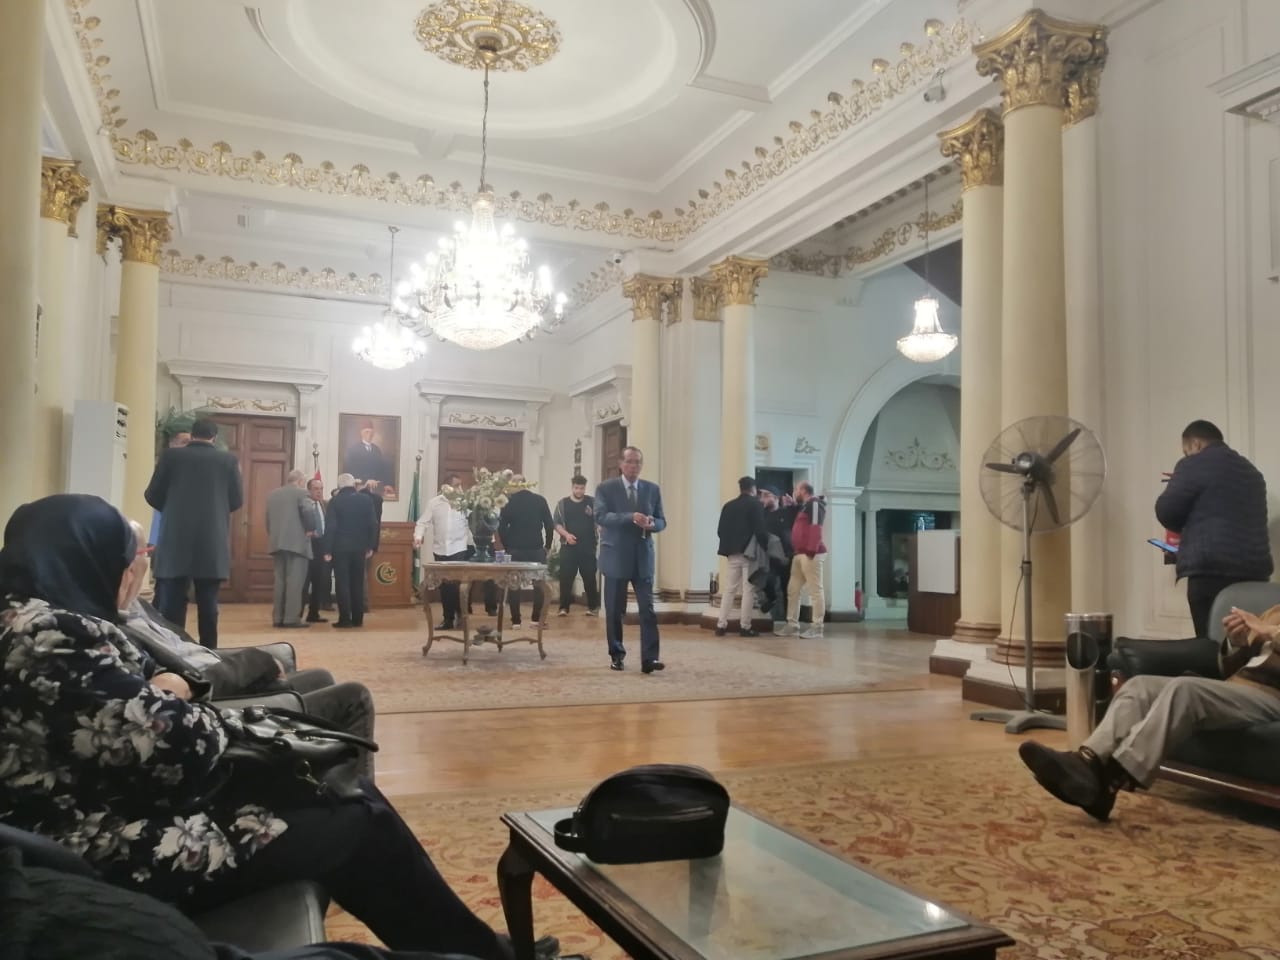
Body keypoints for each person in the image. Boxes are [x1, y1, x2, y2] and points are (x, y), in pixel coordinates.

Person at [0, 494, 558, 959]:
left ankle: (480, 949)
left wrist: (174, 694)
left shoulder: (31, 617)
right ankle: (485, 953)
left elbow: (151, 712)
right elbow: (181, 743)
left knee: (346, 797)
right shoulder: (51, 635)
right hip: (102, 848)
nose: (132, 572)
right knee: (356, 820)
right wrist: (173, 694)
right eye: (128, 560)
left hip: (108, 809)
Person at [117, 520, 376, 779]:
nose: (145, 563)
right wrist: (255, 663)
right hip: (217, 699)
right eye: (143, 553)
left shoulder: (137, 605)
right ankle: (359, 795)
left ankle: (322, 782)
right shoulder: (116, 628)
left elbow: (187, 650)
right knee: (355, 697)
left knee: (321, 678)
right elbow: (183, 686)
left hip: (220, 674)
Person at [1018, 605, 1280, 822]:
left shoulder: (1269, 623)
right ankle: (1087, 759)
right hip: (1236, 688)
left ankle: (1109, 780)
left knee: (1184, 690)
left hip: (1270, 695)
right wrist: (1235, 643)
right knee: (1139, 686)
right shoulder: (1274, 611)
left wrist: (1270, 632)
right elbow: (1227, 668)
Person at [1155, 419, 1272, 638]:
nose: (1187, 455)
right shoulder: (1251, 472)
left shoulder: (1193, 464)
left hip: (1210, 571)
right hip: (1256, 575)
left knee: (1209, 645)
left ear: (1196, 444)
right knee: (1249, 644)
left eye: (1187, 451)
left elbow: (1167, 512)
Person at [144, 417, 243, 649]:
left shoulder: (171, 457)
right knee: (208, 603)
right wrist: (215, 511)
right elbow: (237, 500)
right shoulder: (228, 460)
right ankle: (209, 649)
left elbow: (152, 494)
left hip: (176, 538)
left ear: (192, 434)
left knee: (172, 603)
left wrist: (174, 509)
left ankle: (174, 649)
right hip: (211, 539)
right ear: (214, 437)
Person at [595, 447, 666, 673]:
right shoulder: (606, 488)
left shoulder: (652, 489)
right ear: (621, 464)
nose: (634, 466)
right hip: (616, 556)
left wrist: (652, 523)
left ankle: (650, 659)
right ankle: (617, 655)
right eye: (630, 462)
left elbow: (662, 521)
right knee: (615, 611)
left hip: (643, 557)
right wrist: (630, 517)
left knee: (648, 609)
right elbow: (601, 516)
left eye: (638, 462)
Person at [414, 477, 473, 629]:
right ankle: (447, 619)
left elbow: (473, 522)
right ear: (445, 487)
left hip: (459, 548)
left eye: (460, 485)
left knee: (457, 585)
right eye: (456, 485)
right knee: (445, 586)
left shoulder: (465, 503)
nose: (460, 488)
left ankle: (461, 615)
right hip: (440, 549)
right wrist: (418, 536)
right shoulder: (434, 503)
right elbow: (422, 522)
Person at [324, 474, 379, 629]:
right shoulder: (366, 500)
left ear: (339, 486)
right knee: (357, 582)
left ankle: (345, 619)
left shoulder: (335, 501)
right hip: (360, 548)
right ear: (353, 485)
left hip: (340, 548)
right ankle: (358, 619)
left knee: (342, 583)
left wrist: (327, 549)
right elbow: (373, 524)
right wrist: (370, 546)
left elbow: (331, 526)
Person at [715, 476, 768, 638]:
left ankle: (721, 625)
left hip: (732, 553)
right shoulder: (756, 504)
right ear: (753, 489)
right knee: (748, 590)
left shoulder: (728, 506)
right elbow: (760, 530)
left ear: (741, 488)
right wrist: (765, 547)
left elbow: (720, 531)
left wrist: (731, 545)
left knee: (729, 589)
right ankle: (745, 626)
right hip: (749, 553)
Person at [497, 476, 553, 626]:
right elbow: (549, 525)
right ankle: (536, 619)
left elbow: (501, 528)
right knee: (539, 585)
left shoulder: (508, 502)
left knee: (514, 585)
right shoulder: (540, 500)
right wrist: (547, 546)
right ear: (526, 484)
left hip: (515, 549)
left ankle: (516, 621)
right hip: (536, 548)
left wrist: (507, 546)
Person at [266, 469, 318, 629]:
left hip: (277, 543)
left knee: (280, 582)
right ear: (301, 481)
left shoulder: (273, 495)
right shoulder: (302, 493)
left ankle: (278, 617)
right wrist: (311, 529)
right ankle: (291, 619)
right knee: (295, 582)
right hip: (297, 544)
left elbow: (267, 520)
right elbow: (308, 512)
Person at [783, 482, 827, 640]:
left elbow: (816, 527)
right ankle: (792, 625)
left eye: (796, 490)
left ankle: (817, 627)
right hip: (799, 553)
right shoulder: (804, 506)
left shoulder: (814, 504)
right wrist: (792, 505)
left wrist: (811, 550)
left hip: (810, 553)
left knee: (815, 590)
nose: (795, 492)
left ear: (803, 490)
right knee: (793, 589)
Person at [553, 476, 600, 616]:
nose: (579, 491)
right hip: (568, 547)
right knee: (566, 578)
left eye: (582, 488)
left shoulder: (592, 502)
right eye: (577, 488)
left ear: (585, 488)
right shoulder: (562, 504)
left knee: (590, 577)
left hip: (588, 547)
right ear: (572, 487)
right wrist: (567, 535)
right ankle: (563, 608)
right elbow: (557, 524)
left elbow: (599, 520)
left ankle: (593, 607)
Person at [302, 477, 331, 622]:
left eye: (321, 489)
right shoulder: (304, 504)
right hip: (307, 545)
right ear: (309, 490)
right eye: (316, 489)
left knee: (319, 581)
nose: (319, 492)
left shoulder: (324, 504)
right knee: (304, 581)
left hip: (321, 546)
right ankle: (297, 614)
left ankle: (314, 614)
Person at [344, 421, 394, 489]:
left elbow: (381, 470)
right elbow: (352, 471)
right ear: (361, 433)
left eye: (371, 432)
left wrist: (385, 484)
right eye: (367, 432)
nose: (369, 435)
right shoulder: (354, 450)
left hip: (375, 486)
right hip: (360, 486)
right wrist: (365, 481)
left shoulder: (377, 450)